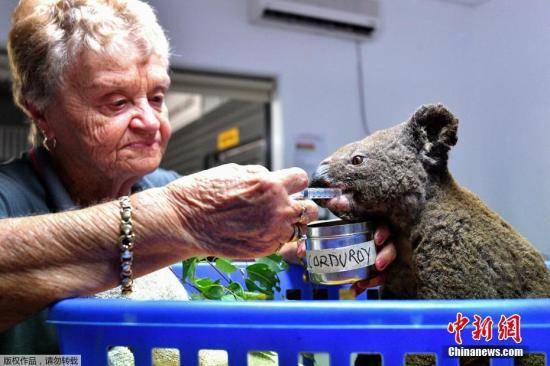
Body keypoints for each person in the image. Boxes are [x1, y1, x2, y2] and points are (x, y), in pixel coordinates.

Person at [0, 0, 396, 354]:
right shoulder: (10, 196)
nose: (151, 121)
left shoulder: (161, 183)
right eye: (116, 102)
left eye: (157, 98)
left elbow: (245, 257)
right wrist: (179, 218)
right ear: (41, 111)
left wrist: (296, 248)